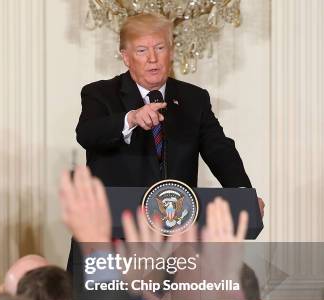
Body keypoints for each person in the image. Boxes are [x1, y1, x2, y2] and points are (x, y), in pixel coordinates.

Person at [75, 13, 264, 214]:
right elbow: (87, 134)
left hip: (175, 227)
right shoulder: (99, 93)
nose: (152, 58)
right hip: (112, 226)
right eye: (141, 50)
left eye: (160, 48)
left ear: (171, 52)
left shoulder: (194, 98)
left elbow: (219, 150)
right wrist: (131, 118)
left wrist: (242, 194)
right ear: (126, 57)